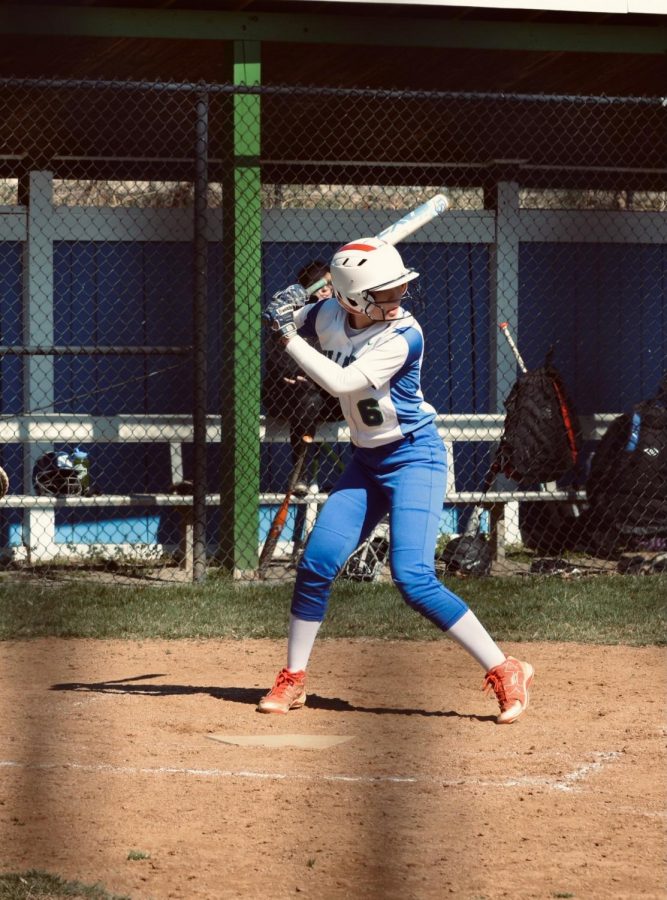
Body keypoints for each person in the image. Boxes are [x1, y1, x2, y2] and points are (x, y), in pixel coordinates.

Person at [259, 237, 535, 725]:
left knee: (413, 578)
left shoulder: (404, 335)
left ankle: (505, 667)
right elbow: (286, 317)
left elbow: (342, 383)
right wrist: (287, 305)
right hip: (365, 463)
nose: (396, 299)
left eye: (397, 290)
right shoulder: (328, 314)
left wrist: (287, 334)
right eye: (384, 293)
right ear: (350, 297)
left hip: (414, 459)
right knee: (317, 563)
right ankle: (294, 678)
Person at [262, 260, 342, 495]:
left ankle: (365, 474)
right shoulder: (292, 314)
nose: (325, 290)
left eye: (328, 284)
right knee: (308, 397)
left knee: (358, 394)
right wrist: (302, 375)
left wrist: (315, 376)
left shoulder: (342, 316)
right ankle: (299, 474)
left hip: (328, 394)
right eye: (318, 285)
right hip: (288, 395)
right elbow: (281, 361)